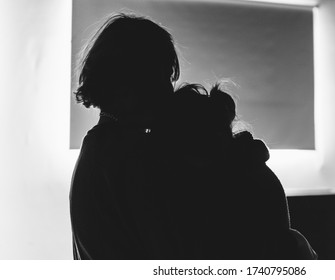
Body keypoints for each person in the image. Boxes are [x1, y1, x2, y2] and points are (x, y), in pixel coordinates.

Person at [70, 12, 316, 260]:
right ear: (133, 80)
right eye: (163, 76)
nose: (168, 89)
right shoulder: (133, 156)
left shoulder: (100, 149)